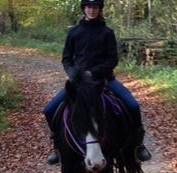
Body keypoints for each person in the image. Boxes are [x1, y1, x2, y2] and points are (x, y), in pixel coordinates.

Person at [43, 0, 151, 164]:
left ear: (99, 9)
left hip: (105, 80)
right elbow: (66, 59)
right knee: (49, 109)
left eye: (95, 7)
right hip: (79, 83)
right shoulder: (73, 32)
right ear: (84, 9)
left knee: (133, 106)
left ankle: (138, 146)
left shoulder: (107, 32)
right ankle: (56, 148)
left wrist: (94, 72)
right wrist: (74, 75)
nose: (92, 10)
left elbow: (112, 59)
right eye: (89, 7)